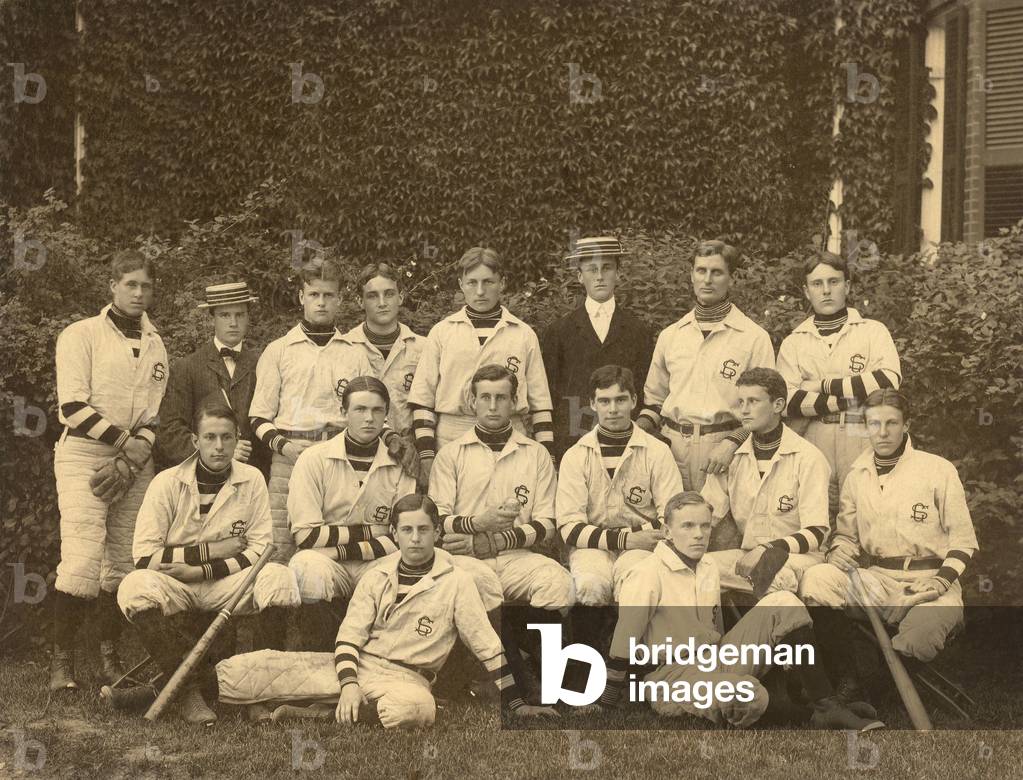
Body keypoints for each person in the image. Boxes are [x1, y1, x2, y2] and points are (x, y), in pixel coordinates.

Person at [212, 495, 557, 726]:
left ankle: (311, 713)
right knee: (241, 672)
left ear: (437, 532)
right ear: (394, 532)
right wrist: (348, 683)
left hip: (408, 679)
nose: (416, 538)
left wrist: (516, 703)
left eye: (424, 530)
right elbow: (349, 636)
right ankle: (326, 701)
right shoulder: (377, 573)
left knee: (414, 709)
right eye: (406, 530)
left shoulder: (456, 579)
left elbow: (487, 645)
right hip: (360, 666)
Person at [596, 491, 883, 731]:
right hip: (671, 675)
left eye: (705, 526)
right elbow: (624, 641)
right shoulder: (647, 573)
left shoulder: (707, 566)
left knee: (782, 602)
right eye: (687, 526)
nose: (699, 535)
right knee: (746, 694)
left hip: (717, 657)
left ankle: (826, 703)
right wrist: (607, 700)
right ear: (667, 531)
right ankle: (810, 712)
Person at [116, 403, 300, 723]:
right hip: (177, 583)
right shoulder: (166, 482)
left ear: (236, 439)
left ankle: (260, 691)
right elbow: (144, 556)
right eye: (210, 437)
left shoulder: (252, 478)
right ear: (194, 441)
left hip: (225, 583)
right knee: (133, 587)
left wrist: (205, 569)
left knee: (278, 577)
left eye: (227, 438)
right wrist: (211, 552)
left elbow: (260, 550)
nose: (219, 446)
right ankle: (189, 690)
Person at [50, 249, 168, 691]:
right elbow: (73, 408)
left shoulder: (156, 343)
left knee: (121, 563)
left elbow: (153, 418)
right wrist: (125, 446)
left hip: (136, 460)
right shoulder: (80, 334)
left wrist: (134, 455)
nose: (138, 293)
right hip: (83, 453)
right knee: (81, 561)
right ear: (112, 286)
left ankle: (107, 657)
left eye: (146, 286)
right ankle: (60, 663)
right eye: (130, 284)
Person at [800, 389, 978, 666]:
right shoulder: (856, 475)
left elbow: (964, 541)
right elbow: (847, 536)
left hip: (931, 580)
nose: (882, 432)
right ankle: (847, 675)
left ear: (906, 424)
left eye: (891, 423)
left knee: (920, 637)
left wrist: (938, 582)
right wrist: (838, 551)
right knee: (817, 579)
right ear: (866, 427)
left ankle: (883, 678)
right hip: (878, 579)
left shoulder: (937, 470)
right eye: (874, 424)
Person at [248, 260, 375, 563]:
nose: (321, 302)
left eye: (329, 295)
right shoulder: (279, 350)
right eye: (314, 294)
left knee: (333, 544)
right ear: (302, 297)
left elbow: (368, 411)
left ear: (340, 300)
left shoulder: (354, 353)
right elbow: (258, 417)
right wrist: (286, 448)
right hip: (288, 457)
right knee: (279, 544)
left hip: (337, 458)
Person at [556, 365, 682, 651]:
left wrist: (634, 540)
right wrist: (624, 538)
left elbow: (672, 519)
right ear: (592, 404)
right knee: (589, 584)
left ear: (634, 401)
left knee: (638, 586)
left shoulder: (656, 451)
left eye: (620, 400)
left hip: (642, 547)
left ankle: (630, 671)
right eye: (604, 401)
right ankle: (585, 667)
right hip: (594, 546)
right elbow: (569, 527)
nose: (613, 409)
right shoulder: (577, 455)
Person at [429, 364, 573, 614]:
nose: (493, 406)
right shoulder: (450, 454)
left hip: (517, 555)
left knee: (559, 582)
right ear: (473, 401)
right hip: (466, 558)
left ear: (514, 401)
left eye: (501, 397)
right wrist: (479, 523)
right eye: (485, 397)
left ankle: (539, 653)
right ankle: (501, 654)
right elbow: (437, 520)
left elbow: (548, 524)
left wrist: (496, 541)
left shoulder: (537, 454)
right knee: (480, 584)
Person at [287, 377, 417, 649]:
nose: (369, 418)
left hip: (370, 560)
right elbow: (306, 537)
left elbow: (404, 535)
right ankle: (319, 655)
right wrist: (374, 531)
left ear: (386, 414)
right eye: (360, 409)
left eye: (377, 410)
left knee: (406, 571)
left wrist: (336, 548)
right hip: (328, 562)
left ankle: (381, 659)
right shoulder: (314, 458)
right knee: (306, 566)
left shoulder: (400, 462)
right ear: (344, 412)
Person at [408, 247, 555, 487]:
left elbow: (541, 404)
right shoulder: (443, 332)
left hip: (511, 435)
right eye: (472, 282)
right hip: (453, 433)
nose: (480, 291)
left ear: (502, 283)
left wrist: (548, 457)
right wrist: (426, 455)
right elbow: (423, 399)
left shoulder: (523, 334)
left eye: (488, 282)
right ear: (460, 284)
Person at [639, 239, 775, 491]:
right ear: (691, 276)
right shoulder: (672, 335)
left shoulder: (753, 337)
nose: (707, 279)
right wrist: (640, 434)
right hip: (672, 447)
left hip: (725, 447)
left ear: (731, 278)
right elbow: (655, 400)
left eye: (717, 272)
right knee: (674, 522)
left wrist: (732, 443)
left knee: (721, 526)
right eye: (701, 271)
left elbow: (765, 408)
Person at [777, 251, 901, 516]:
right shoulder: (795, 341)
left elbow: (887, 381)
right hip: (813, 437)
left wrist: (819, 385)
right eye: (817, 284)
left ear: (847, 286)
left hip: (861, 433)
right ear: (806, 291)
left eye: (833, 282)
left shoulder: (871, 331)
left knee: (866, 511)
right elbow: (787, 402)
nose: (826, 291)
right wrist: (851, 395)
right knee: (817, 511)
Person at [701, 368, 831, 598]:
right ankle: (710, 634)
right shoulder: (732, 456)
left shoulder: (809, 457)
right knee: (698, 569)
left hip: (797, 558)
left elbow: (815, 533)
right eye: (741, 402)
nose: (744, 409)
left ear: (778, 405)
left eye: (753, 401)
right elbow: (706, 513)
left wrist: (767, 549)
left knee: (772, 575)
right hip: (747, 554)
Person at [541, 236, 654, 463]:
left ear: (618, 274)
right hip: (574, 435)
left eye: (607, 268)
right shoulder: (559, 330)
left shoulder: (638, 330)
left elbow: (645, 386)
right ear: (580, 276)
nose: (600, 276)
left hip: (625, 435)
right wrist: (553, 443)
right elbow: (549, 392)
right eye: (592, 269)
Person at [155, 281, 269, 478]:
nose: (233, 323)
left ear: (248, 317)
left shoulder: (263, 364)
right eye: (225, 315)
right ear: (212, 319)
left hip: (252, 477)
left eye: (240, 314)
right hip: (200, 476)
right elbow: (170, 430)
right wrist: (213, 452)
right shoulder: (187, 367)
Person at [342, 263, 426, 435]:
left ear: (401, 297)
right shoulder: (343, 347)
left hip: (409, 449)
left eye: (389, 294)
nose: (382, 303)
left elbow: (428, 404)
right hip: (358, 450)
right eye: (372, 296)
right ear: (360, 301)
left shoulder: (423, 348)